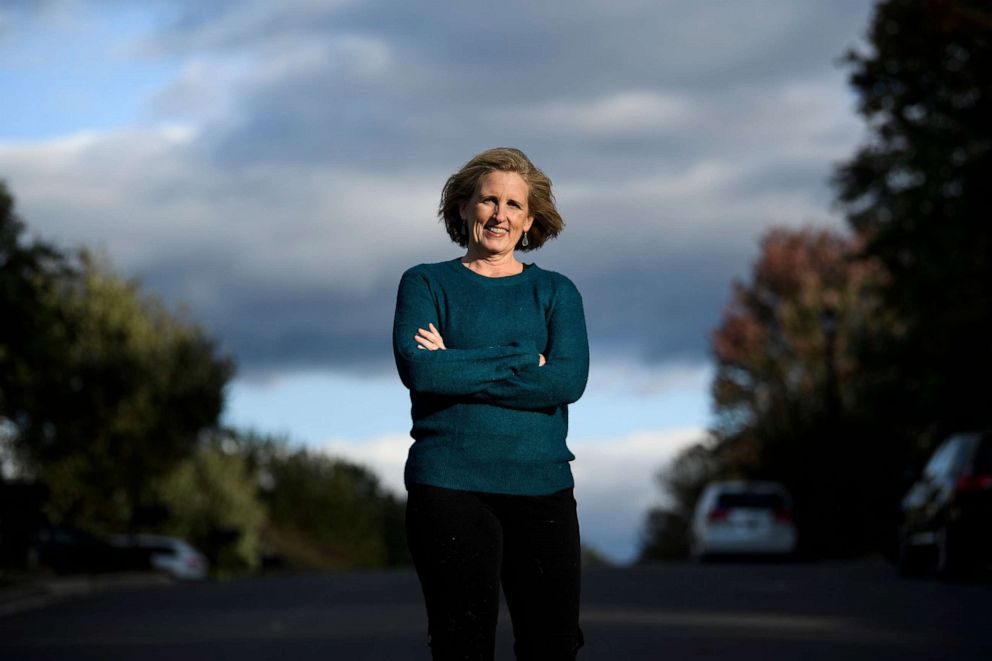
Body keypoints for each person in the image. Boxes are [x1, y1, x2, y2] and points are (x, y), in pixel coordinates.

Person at [392, 147, 589, 660]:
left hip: (542, 487)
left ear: (529, 221)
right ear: (464, 208)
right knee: (462, 645)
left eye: (513, 205)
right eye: (488, 201)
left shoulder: (555, 292)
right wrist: (524, 357)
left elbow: (567, 381)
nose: (499, 215)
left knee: (553, 645)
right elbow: (420, 369)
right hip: (449, 487)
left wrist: (457, 363)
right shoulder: (426, 283)